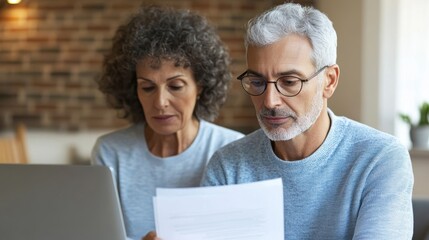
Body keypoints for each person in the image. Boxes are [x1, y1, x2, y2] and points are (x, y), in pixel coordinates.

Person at [201, 3, 414, 239]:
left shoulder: (379, 158)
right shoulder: (229, 166)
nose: (270, 101)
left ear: (329, 81)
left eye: (289, 82)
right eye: (257, 82)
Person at [91, 5, 244, 240]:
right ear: (134, 90)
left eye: (175, 86)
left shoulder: (232, 150)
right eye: (148, 87)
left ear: (200, 87)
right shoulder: (111, 153)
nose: (160, 102)